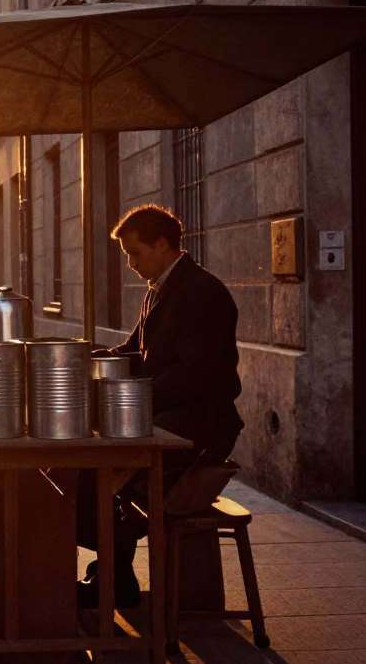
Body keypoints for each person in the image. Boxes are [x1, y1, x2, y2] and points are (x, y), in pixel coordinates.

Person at [76, 204, 244, 609]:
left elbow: (194, 377)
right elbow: (132, 350)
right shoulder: (160, 288)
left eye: (135, 253)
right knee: (83, 471)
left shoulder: (203, 292)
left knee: (95, 477)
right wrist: (83, 359)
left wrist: (130, 399)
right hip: (169, 419)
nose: (131, 264)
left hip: (199, 430)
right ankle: (116, 575)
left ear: (162, 244)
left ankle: (115, 577)